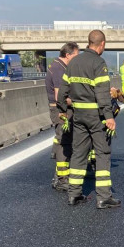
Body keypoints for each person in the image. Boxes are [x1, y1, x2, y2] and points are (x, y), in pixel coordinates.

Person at [57, 30, 121, 209]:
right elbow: (102, 93)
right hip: (95, 116)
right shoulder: (98, 63)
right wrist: (109, 117)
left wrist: (62, 109)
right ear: (101, 44)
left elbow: (63, 88)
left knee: (79, 153)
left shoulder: (74, 62)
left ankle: (74, 194)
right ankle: (104, 197)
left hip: (78, 115)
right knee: (102, 153)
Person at [45, 42, 79, 191]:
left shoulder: (61, 66)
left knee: (65, 141)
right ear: (68, 55)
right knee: (63, 142)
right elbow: (60, 96)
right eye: (75, 56)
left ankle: (60, 177)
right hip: (60, 110)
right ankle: (61, 179)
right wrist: (79, 101)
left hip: (61, 109)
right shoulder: (59, 69)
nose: (77, 59)